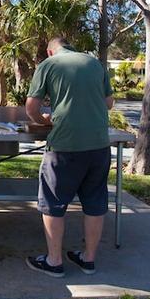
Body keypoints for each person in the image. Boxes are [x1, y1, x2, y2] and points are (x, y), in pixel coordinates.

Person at [24, 37, 114, 278]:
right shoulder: (95, 63)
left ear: (50, 51)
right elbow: (108, 103)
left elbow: (31, 108)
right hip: (99, 145)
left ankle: (54, 261)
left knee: (53, 203)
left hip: (64, 146)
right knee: (95, 202)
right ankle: (88, 259)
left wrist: (45, 122)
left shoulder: (48, 64)